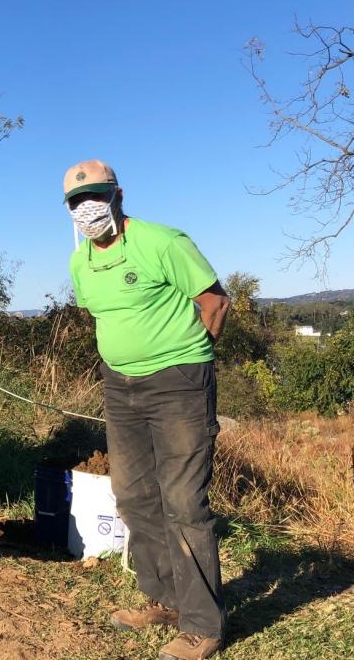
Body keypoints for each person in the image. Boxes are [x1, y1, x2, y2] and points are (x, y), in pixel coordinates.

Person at [63, 159, 231, 660]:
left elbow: (215, 303)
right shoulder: (80, 263)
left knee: (183, 502)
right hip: (119, 388)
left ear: (118, 194)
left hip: (178, 383)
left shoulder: (162, 241)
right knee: (134, 495)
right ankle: (167, 601)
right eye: (76, 200)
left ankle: (204, 625)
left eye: (96, 194)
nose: (87, 206)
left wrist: (189, 360)